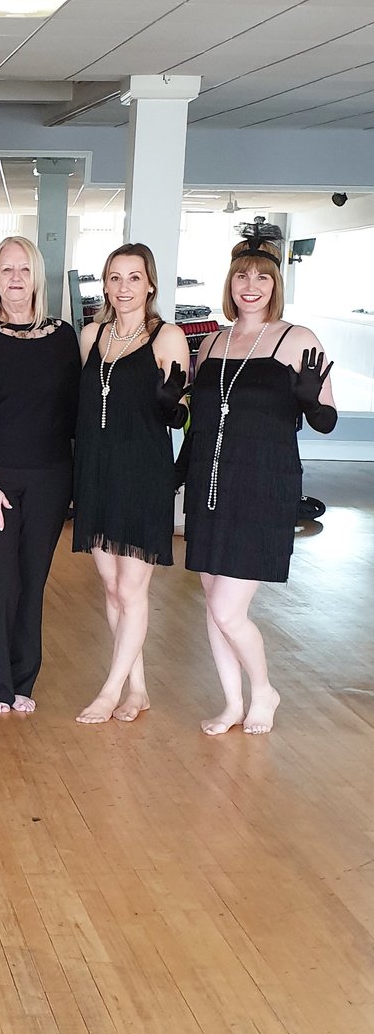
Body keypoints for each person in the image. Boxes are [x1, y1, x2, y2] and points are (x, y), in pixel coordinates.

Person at [181, 229, 336, 736]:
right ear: (231, 282)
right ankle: (231, 702)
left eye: (262, 278)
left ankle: (264, 690)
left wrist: (311, 400)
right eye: (242, 276)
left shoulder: (299, 339)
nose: (251, 286)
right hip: (209, 485)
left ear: (276, 285)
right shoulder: (211, 342)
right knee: (212, 600)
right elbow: (199, 420)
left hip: (264, 486)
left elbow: (326, 420)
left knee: (229, 608)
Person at [0, 235, 79, 714]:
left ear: (37, 276)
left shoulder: (63, 337)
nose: (16, 279)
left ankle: (24, 680)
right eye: (6, 270)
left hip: (49, 478)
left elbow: (76, 414)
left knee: (32, 579)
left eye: (24, 269)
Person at [71, 243, 190, 725]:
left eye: (133, 278)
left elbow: (181, 414)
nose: (123, 287)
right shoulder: (91, 335)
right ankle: (137, 689)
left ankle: (110, 688)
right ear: (105, 284)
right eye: (114, 278)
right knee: (112, 587)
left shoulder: (168, 337)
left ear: (151, 284)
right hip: (97, 470)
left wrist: (169, 404)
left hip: (143, 471)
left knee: (133, 588)